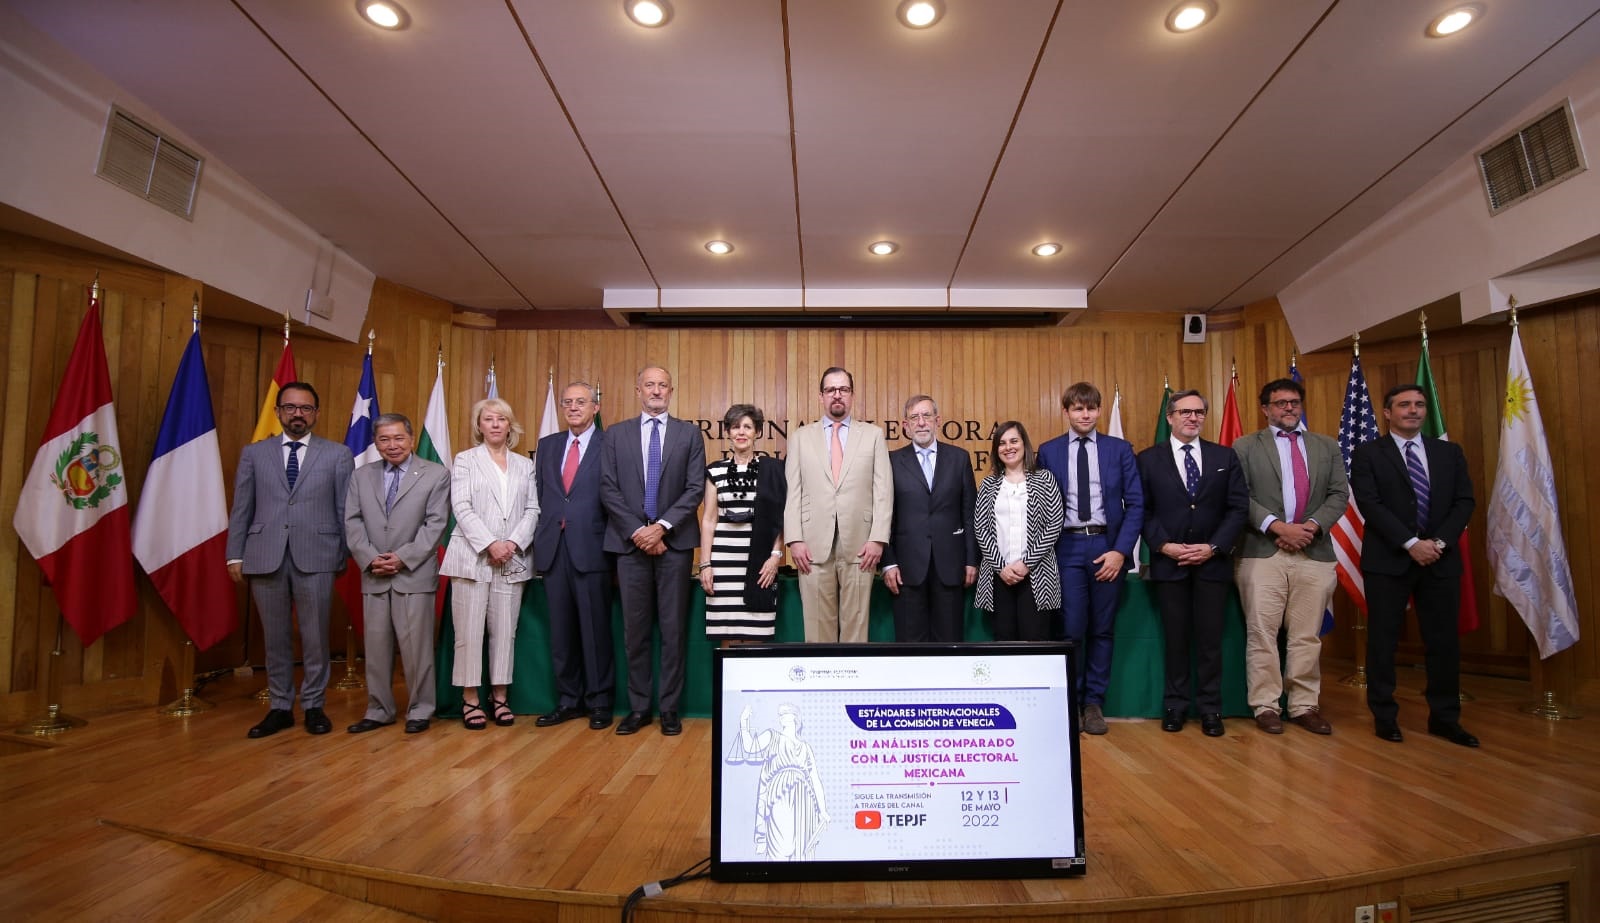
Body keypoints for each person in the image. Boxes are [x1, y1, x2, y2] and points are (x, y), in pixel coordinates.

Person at [1349, 384, 1478, 748]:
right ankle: (1385, 717)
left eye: (1419, 405)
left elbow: (1464, 501)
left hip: (1439, 559)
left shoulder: (1449, 453)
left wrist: (1437, 544)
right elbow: (1370, 504)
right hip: (1389, 560)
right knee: (1383, 642)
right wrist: (1410, 544)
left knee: (1443, 643)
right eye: (1404, 405)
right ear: (1387, 413)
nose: (1413, 410)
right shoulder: (1367, 453)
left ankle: (1445, 719)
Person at [227, 382, 353, 739]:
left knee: (315, 636)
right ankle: (280, 707)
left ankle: (314, 705)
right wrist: (234, 554)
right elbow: (242, 508)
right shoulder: (254, 454)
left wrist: (343, 552)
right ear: (279, 412)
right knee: (275, 636)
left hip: (318, 555)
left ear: (316, 413)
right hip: (264, 554)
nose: (298, 414)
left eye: (306, 408)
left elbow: (345, 509)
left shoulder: (337, 454)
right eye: (291, 407)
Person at [1233, 378, 1349, 736]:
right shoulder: (1245, 446)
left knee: (1306, 635)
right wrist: (1277, 527)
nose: (1288, 408)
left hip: (1313, 552)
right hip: (1262, 551)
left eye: (1294, 402)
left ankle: (1303, 705)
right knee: (1262, 633)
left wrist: (1310, 527)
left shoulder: (1326, 446)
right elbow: (1240, 495)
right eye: (1280, 403)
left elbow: (1338, 494)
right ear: (1265, 408)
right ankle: (1266, 705)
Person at [600, 365, 705, 737]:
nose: (656, 391)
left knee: (674, 631)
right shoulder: (615, 435)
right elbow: (608, 488)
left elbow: (695, 489)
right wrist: (638, 531)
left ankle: (670, 709)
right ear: (637, 390)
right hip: (629, 548)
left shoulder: (689, 434)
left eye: (662, 385)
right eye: (649, 385)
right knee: (635, 632)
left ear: (671, 391)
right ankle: (639, 708)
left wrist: (660, 528)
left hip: (674, 545)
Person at [1137, 389, 1248, 738]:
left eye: (1199, 412)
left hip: (1212, 564)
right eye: (1185, 412)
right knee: (1176, 639)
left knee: (1210, 642)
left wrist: (1214, 547)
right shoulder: (1148, 459)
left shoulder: (1224, 457)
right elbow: (1143, 509)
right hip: (1170, 565)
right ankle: (1175, 705)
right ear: (1170, 417)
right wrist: (1164, 545)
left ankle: (1211, 708)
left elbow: (1237, 508)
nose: (1192, 418)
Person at [1036, 382, 1143, 735]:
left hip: (1106, 547)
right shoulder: (1048, 451)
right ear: (1066, 411)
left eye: (1091, 408)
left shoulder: (1119, 450)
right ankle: (1071, 699)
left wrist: (1120, 551)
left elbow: (1136, 504)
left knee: (1102, 629)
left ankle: (1094, 703)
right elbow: (1040, 505)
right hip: (1065, 548)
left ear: (1098, 411)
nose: (1085, 414)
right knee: (1070, 629)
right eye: (1078, 408)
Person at [342, 413, 450, 735]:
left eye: (398, 438)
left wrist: (402, 558)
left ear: (412, 438)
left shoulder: (435, 474)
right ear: (375, 443)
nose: (392, 445)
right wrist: (370, 557)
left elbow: (436, 524)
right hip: (373, 572)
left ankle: (420, 709)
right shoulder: (361, 476)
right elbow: (352, 521)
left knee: (416, 648)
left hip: (413, 574)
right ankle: (379, 709)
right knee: (375, 648)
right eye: (384, 439)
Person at [439, 398, 539, 731]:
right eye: (488, 419)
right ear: (479, 425)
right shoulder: (465, 460)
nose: (495, 424)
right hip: (472, 557)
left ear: (510, 425)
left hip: (513, 559)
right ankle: (470, 699)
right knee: (468, 633)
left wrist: (511, 544)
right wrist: (490, 544)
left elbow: (533, 510)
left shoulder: (525, 465)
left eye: (501, 419)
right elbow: (462, 507)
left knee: (504, 633)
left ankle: (500, 697)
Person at [783, 367, 893, 643]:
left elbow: (883, 491)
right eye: (831, 390)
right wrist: (794, 539)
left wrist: (878, 539)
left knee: (857, 626)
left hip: (861, 544)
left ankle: (852, 685)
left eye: (843, 389)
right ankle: (822, 685)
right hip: (811, 545)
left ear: (852, 396)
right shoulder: (800, 437)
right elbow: (793, 492)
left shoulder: (873, 435)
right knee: (818, 627)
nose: (837, 395)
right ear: (821, 396)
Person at [532, 382, 616, 730]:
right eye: (567, 403)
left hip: (592, 547)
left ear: (595, 407)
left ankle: (599, 701)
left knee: (595, 631)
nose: (573, 408)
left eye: (581, 402)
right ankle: (569, 700)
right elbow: (540, 495)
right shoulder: (548, 445)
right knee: (561, 632)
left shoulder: (609, 443)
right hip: (554, 547)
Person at [882, 395, 978, 642]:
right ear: (905, 425)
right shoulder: (891, 461)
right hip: (906, 567)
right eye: (914, 417)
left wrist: (971, 560)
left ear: (938, 420)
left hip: (951, 564)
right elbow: (883, 515)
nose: (921, 422)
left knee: (949, 641)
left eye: (926, 416)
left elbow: (969, 514)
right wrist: (888, 562)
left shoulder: (959, 458)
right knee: (909, 644)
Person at [698, 404, 786, 644]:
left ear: (757, 432)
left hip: (760, 564)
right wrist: (705, 564)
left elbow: (779, 519)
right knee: (726, 638)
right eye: (735, 427)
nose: (741, 432)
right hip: (724, 565)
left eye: (747, 427)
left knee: (757, 635)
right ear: (727, 432)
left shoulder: (774, 471)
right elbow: (708, 520)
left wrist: (775, 557)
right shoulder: (715, 471)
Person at [974, 422, 1064, 642]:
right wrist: (1001, 567)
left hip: (1037, 574)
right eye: (1002, 443)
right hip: (999, 576)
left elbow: (1054, 523)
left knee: (1035, 640)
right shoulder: (988, 484)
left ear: (1024, 444)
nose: (1008, 447)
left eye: (1014, 441)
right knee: (1004, 642)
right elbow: (980, 527)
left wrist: (1026, 564)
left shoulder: (1045, 479)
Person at [724, 704, 830, 861]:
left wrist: (823, 810)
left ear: (795, 717)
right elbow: (750, 747)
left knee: (802, 845)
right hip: (780, 793)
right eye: (780, 714)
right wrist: (744, 724)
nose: (782, 716)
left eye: (786, 713)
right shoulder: (772, 736)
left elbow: (815, 779)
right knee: (783, 844)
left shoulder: (806, 747)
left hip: (805, 799)